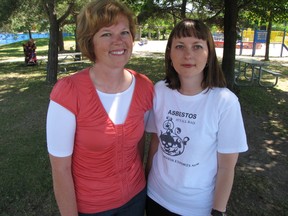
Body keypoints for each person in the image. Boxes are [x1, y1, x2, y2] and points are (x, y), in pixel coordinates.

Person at [46, 1, 153, 215]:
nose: (118, 41)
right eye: (106, 34)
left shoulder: (144, 86)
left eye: (124, 32)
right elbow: (60, 169)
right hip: (92, 208)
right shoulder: (68, 92)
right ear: (90, 42)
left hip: (136, 198)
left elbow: (139, 143)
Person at [145, 19, 248, 216]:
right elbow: (156, 141)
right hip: (155, 196)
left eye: (197, 46)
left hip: (196, 208)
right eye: (180, 46)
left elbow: (227, 166)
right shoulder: (159, 90)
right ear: (169, 53)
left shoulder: (225, 101)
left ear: (209, 55)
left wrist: (218, 210)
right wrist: (146, 178)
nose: (188, 54)